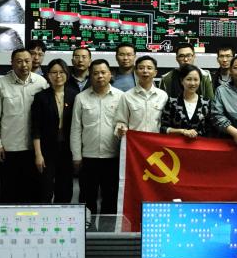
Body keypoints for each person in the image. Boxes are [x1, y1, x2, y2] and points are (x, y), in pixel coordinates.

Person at [0, 48, 48, 203]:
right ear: (12, 63)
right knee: (9, 192)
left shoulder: (41, 83)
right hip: (10, 148)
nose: (24, 65)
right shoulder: (1, 84)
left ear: (32, 62)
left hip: (34, 148)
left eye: (27, 61)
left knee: (33, 192)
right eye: (19, 61)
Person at [70, 59, 125, 219]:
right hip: (88, 157)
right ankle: (87, 230)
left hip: (113, 157)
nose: (100, 76)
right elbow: (76, 129)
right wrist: (76, 156)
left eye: (103, 72)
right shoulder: (81, 98)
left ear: (110, 74)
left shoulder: (121, 96)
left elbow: (124, 122)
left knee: (110, 198)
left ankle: (108, 231)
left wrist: (121, 128)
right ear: (90, 75)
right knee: (87, 198)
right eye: (95, 73)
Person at [31, 59, 79, 203]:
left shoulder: (75, 95)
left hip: (67, 149)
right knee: (45, 189)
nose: (58, 76)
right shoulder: (41, 97)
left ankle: (62, 216)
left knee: (65, 188)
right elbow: (35, 128)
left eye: (61, 72)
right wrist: (38, 154)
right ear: (48, 75)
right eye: (54, 72)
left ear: (67, 74)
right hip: (46, 150)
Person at [115, 55, 168, 135]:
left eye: (149, 68)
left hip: (156, 141)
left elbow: (166, 124)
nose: (145, 71)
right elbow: (121, 121)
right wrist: (121, 128)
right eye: (141, 68)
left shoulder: (163, 96)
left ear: (155, 73)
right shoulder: (127, 96)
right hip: (135, 141)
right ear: (136, 72)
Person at [160, 64, 213, 138]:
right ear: (182, 81)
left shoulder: (206, 103)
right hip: (176, 144)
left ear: (200, 81)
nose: (192, 83)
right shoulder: (172, 102)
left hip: (200, 144)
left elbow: (211, 130)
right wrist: (182, 131)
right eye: (188, 79)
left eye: (196, 80)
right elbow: (163, 128)